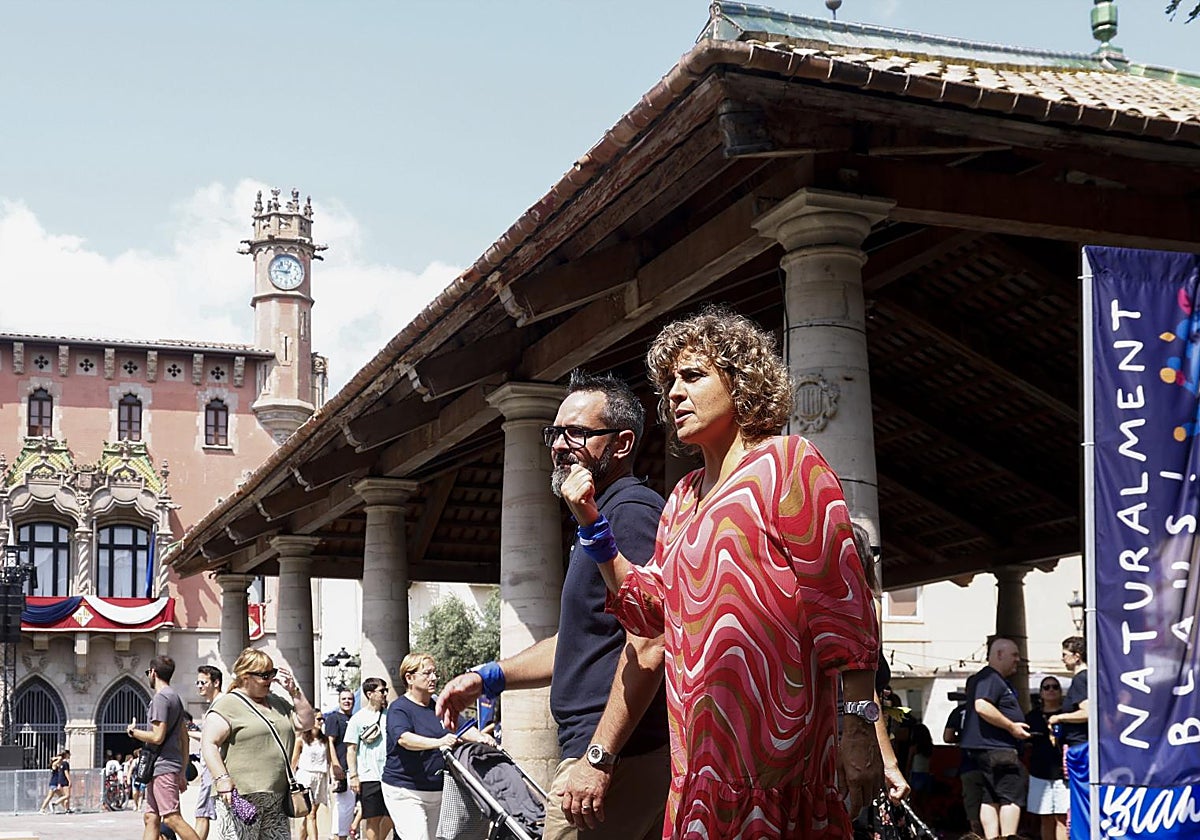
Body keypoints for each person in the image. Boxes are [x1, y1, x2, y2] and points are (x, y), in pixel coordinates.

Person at [561, 309, 883, 837]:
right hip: (699, 775)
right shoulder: (682, 498)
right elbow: (650, 614)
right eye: (669, 383)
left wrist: (859, 724)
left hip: (780, 769)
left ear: (741, 381)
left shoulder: (788, 462)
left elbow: (843, 606)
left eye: (693, 376)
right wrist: (593, 526)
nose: (674, 394)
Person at [438, 369, 671, 839]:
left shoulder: (629, 513)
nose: (560, 445)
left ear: (622, 444)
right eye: (555, 432)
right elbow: (583, 640)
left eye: (578, 433)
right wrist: (489, 677)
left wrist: (599, 757)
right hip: (607, 755)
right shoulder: (602, 515)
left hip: (614, 757)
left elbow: (651, 641)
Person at [201, 647, 316, 840]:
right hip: (242, 796)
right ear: (245, 676)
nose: (270, 680)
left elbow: (306, 723)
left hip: (277, 796)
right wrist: (222, 779)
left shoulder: (277, 702)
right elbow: (209, 743)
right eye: (264, 675)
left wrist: (295, 691)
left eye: (272, 673)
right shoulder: (227, 704)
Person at [384, 653, 489, 840]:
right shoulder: (399, 708)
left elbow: (462, 728)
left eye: (434, 673)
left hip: (438, 791)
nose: (433, 678)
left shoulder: (439, 705)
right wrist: (439, 742)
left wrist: (482, 739)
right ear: (409, 678)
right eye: (427, 673)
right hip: (405, 790)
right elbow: (404, 739)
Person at [959, 637, 1030, 840]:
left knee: (989, 797)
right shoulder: (990, 678)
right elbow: (982, 705)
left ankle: (991, 838)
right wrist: (1012, 727)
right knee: (1010, 798)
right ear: (999, 654)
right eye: (1014, 655)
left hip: (985, 750)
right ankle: (1008, 837)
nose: (1018, 660)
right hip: (998, 750)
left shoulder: (988, 679)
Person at [127, 656, 198, 840]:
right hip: (165, 766)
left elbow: (157, 737)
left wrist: (134, 732)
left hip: (163, 766)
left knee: (172, 818)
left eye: (148, 673)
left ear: (153, 672)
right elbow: (185, 738)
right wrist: (182, 771)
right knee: (151, 817)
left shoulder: (160, 699)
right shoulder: (175, 698)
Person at [1048, 636, 1089, 839]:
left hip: (1080, 748)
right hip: (1081, 746)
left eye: (1065, 655)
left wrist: (1059, 717)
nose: (1062, 659)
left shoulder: (1081, 679)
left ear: (1076, 656)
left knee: (1078, 798)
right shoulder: (1087, 679)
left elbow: (1088, 712)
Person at [345, 677, 394, 840]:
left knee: (393, 814)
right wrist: (354, 776)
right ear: (370, 694)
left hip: (391, 774)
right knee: (372, 817)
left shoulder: (391, 716)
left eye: (385, 690)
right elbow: (351, 749)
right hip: (369, 775)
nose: (385, 694)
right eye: (382, 691)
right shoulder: (357, 719)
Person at [1029, 677, 1068, 840]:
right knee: (1045, 817)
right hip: (1040, 771)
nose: (1051, 690)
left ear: (1060, 691)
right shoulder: (1032, 717)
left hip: (1063, 773)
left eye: (1055, 687)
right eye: (1046, 687)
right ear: (1041, 693)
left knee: (1062, 818)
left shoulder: (1068, 715)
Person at [292, 714, 341, 840]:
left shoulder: (325, 740)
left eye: (322, 719)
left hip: (320, 778)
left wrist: (333, 778)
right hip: (305, 778)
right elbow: (294, 761)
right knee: (311, 814)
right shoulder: (301, 739)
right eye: (318, 719)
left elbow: (329, 760)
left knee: (309, 815)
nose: (321, 722)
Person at [944, 688, 985, 837]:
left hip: (968, 765)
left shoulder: (959, 711)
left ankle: (977, 837)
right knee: (994, 809)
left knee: (973, 812)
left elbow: (947, 737)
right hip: (992, 765)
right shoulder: (993, 710)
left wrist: (963, 739)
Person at [192, 665, 223, 840]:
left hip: (214, 769)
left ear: (216, 682)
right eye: (197, 682)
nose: (199, 686)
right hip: (212, 769)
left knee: (202, 813)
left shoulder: (221, 704)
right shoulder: (215, 705)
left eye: (203, 682)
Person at [324, 689, 358, 840]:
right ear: (339, 701)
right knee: (344, 805)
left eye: (350, 699)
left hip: (356, 768)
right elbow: (330, 742)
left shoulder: (355, 718)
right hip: (342, 768)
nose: (347, 701)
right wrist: (335, 766)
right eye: (344, 698)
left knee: (350, 807)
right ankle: (341, 836)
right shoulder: (333, 718)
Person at [39, 749, 70, 814]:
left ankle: (66, 808)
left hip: (56, 783)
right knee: (50, 796)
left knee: (60, 796)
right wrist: (56, 757)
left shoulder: (59, 765)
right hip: (54, 783)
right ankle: (42, 809)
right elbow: (60, 759)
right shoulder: (54, 765)